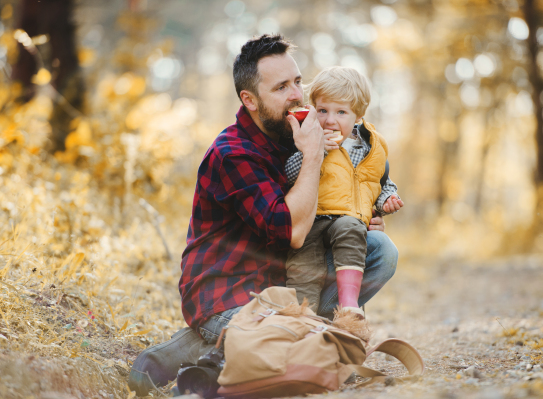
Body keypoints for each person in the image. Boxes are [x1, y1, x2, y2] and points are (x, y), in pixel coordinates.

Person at [128, 34, 399, 395]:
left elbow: (328, 201)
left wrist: (359, 214)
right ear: (249, 100)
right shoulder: (233, 153)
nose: (297, 95)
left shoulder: (294, 132)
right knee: (288, 359)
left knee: (378, 248)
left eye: (298, 82)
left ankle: (287, 340)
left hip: (283, 283)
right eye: (282, 87)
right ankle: (207, 358)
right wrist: (314, 155)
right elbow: (293, 233)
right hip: (229, 294)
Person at [284, 66, 403, 318]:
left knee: (351, 236)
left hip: (348, 223)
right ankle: (302, 324)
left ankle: (347, 308)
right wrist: (314, 151)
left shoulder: (371, 147)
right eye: (323, 110)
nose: (330, 120)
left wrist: (386, 200)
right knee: (304, 270)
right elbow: (290, 174)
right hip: (312, 224)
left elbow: (380, 181)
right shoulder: (307, 136)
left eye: (341, 112)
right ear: (313, 108)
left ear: (357, 117)